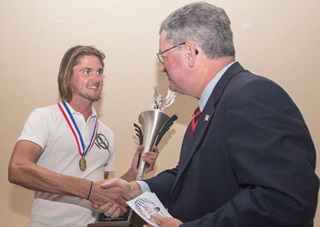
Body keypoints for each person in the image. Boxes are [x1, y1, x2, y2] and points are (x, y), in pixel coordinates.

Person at [98, 2, 319, 226]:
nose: (162, 67)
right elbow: (189, 178)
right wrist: (139, 188)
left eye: (163, 55)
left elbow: (285, 202)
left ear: (190, 51)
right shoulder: (212, 106)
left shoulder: (252, 95)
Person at [8, 45, 159, 227]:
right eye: (87, 71)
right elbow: (18, 168)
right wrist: (88, 190)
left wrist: (133, 173)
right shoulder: (44, 117)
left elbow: (102, 190)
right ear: (68, 77)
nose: (96, 78)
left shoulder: (107, 134)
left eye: (99, 72)